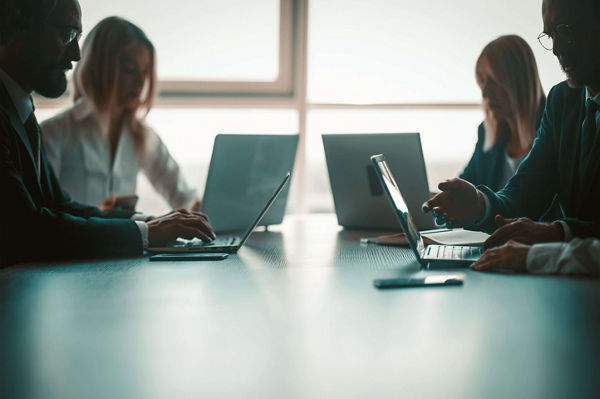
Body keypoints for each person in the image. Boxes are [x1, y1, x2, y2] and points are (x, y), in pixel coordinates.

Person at [0, 0, 214, 267]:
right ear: (21, 26)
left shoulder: (23, 116)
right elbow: (31, 228)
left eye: (77, 37)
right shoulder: (48, 129)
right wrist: (147, 231)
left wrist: (147, 222)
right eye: (66, 34)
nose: (76, 54)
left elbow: (59, 206)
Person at [423, 0, 600, 273]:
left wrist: (558, 233)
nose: (557, 49)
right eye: (550, 35)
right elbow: (525, 194)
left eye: (566, 30)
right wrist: (479, 205)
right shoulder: (563, 101)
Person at [41, 16, 200, 212]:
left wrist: (204, 208)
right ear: (100, 68)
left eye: (145, 72)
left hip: (125, 243)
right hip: (76, 242)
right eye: (130, 70)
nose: (140, 83)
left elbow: (183, 195)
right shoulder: (54, 134)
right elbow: (47, 219)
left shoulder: (142, 136)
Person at [460, 35, 546, 191]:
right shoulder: (487, 133)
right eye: (482, 82)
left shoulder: (554, 128)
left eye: (493, 80)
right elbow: (466, 183)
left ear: (518, 80)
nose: (485, 94)